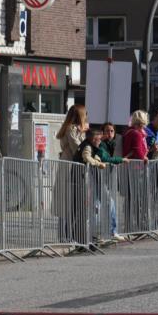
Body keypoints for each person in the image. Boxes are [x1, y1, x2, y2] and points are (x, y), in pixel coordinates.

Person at [55, 104, 88, 245]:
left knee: (72, 202)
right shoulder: (72, 129)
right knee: (66, 201)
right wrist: (83, 134)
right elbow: (78, 148)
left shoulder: (74, 129)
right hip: (69, 167)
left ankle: (70, 233)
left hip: (71, 167)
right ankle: (64, 235)